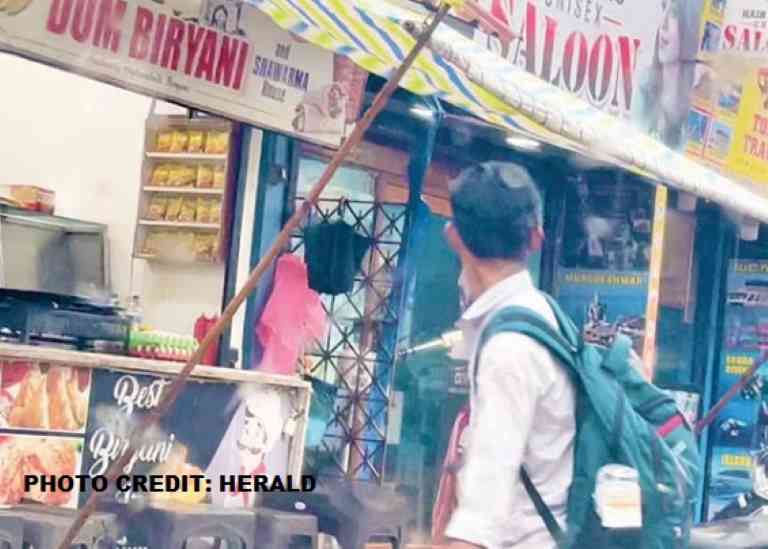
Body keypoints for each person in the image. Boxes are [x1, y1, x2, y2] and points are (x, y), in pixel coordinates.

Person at [440, 162, 576, 548]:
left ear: (455, 238)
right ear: (536, 239)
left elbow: (483, 513)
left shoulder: (509, 348)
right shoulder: (545, 316)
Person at [632, 0, 704, 150]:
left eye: (674, 14)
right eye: (664, 8)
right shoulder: (645, 86)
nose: (663, 24)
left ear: (690, 28)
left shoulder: (697, 105)